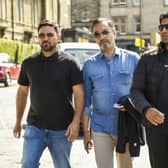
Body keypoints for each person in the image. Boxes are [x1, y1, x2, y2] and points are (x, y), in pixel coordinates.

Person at [13, 19, 84, 168]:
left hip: (62, 129)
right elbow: (22, 92)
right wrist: (18, 121)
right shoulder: (29, 63)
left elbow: (79, 94)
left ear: (58, 36)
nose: (46, 38)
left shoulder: (70, 63)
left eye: (50, 35)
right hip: (34, 127)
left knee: (62, 166)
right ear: (38, 38)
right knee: (27, 164)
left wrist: (76, 122)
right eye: (42, 35)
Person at [82, 18, 139, 168]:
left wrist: (132, 104)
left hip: (125, 125)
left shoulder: (133, 59)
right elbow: (86, 101)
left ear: (115, 33)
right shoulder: (89, 65)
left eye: (105, 32)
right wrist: (86, 133)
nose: (102, 37)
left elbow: (141, 91)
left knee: (126, 166)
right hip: (100, 127)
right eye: (97, 34)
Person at [130, 12, 168, 168]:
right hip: (157, 127)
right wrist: (146, 109)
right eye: (162, 27)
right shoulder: (147, 58)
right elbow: (136, 90)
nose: (164, 30)